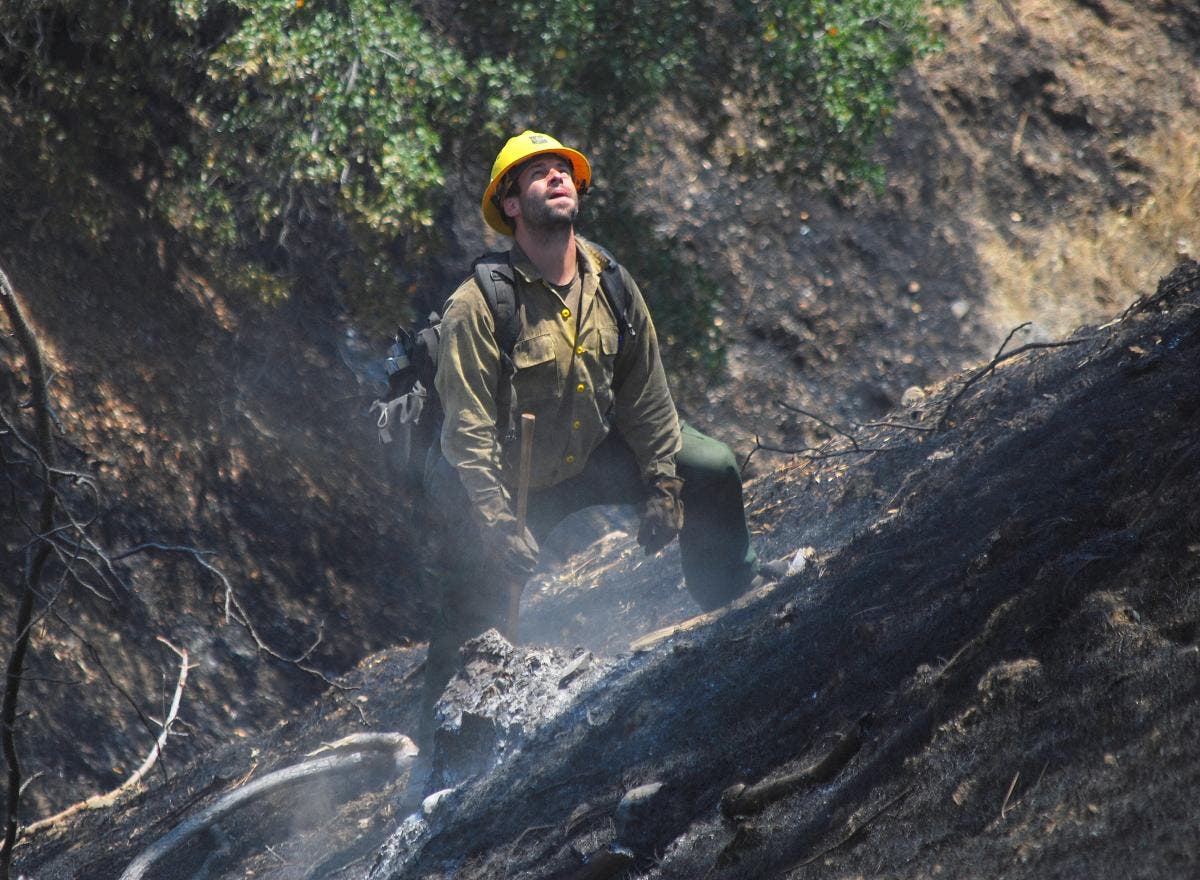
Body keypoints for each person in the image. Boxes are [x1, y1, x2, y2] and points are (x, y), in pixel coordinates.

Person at [416, 130, 773, 771]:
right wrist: (496, 524)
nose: (558, 179)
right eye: (539, 175)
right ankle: (443, 757)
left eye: (564, 171)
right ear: (512, 205)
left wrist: (664, 482)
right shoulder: (477, 306)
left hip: (594, 452)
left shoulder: (611, 281)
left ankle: (736, 596)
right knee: (474, 617)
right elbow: (465, 432)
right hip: (512, 482)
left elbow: (645, 393)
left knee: (712, 468)